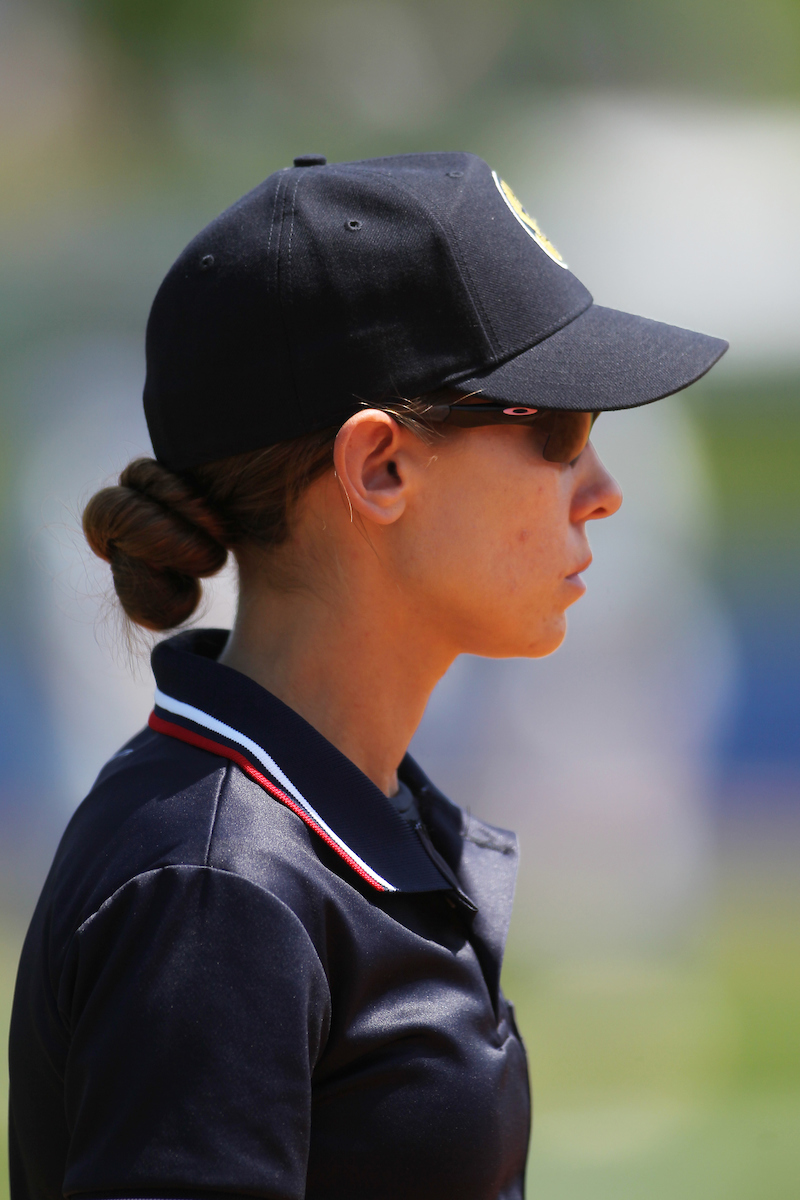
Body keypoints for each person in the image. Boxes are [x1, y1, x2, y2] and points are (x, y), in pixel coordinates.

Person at [8, 152, 727, 1200]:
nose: (603, 492)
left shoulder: (329, 825)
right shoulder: (217, 892)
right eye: (560, 431)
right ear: (378, 467)